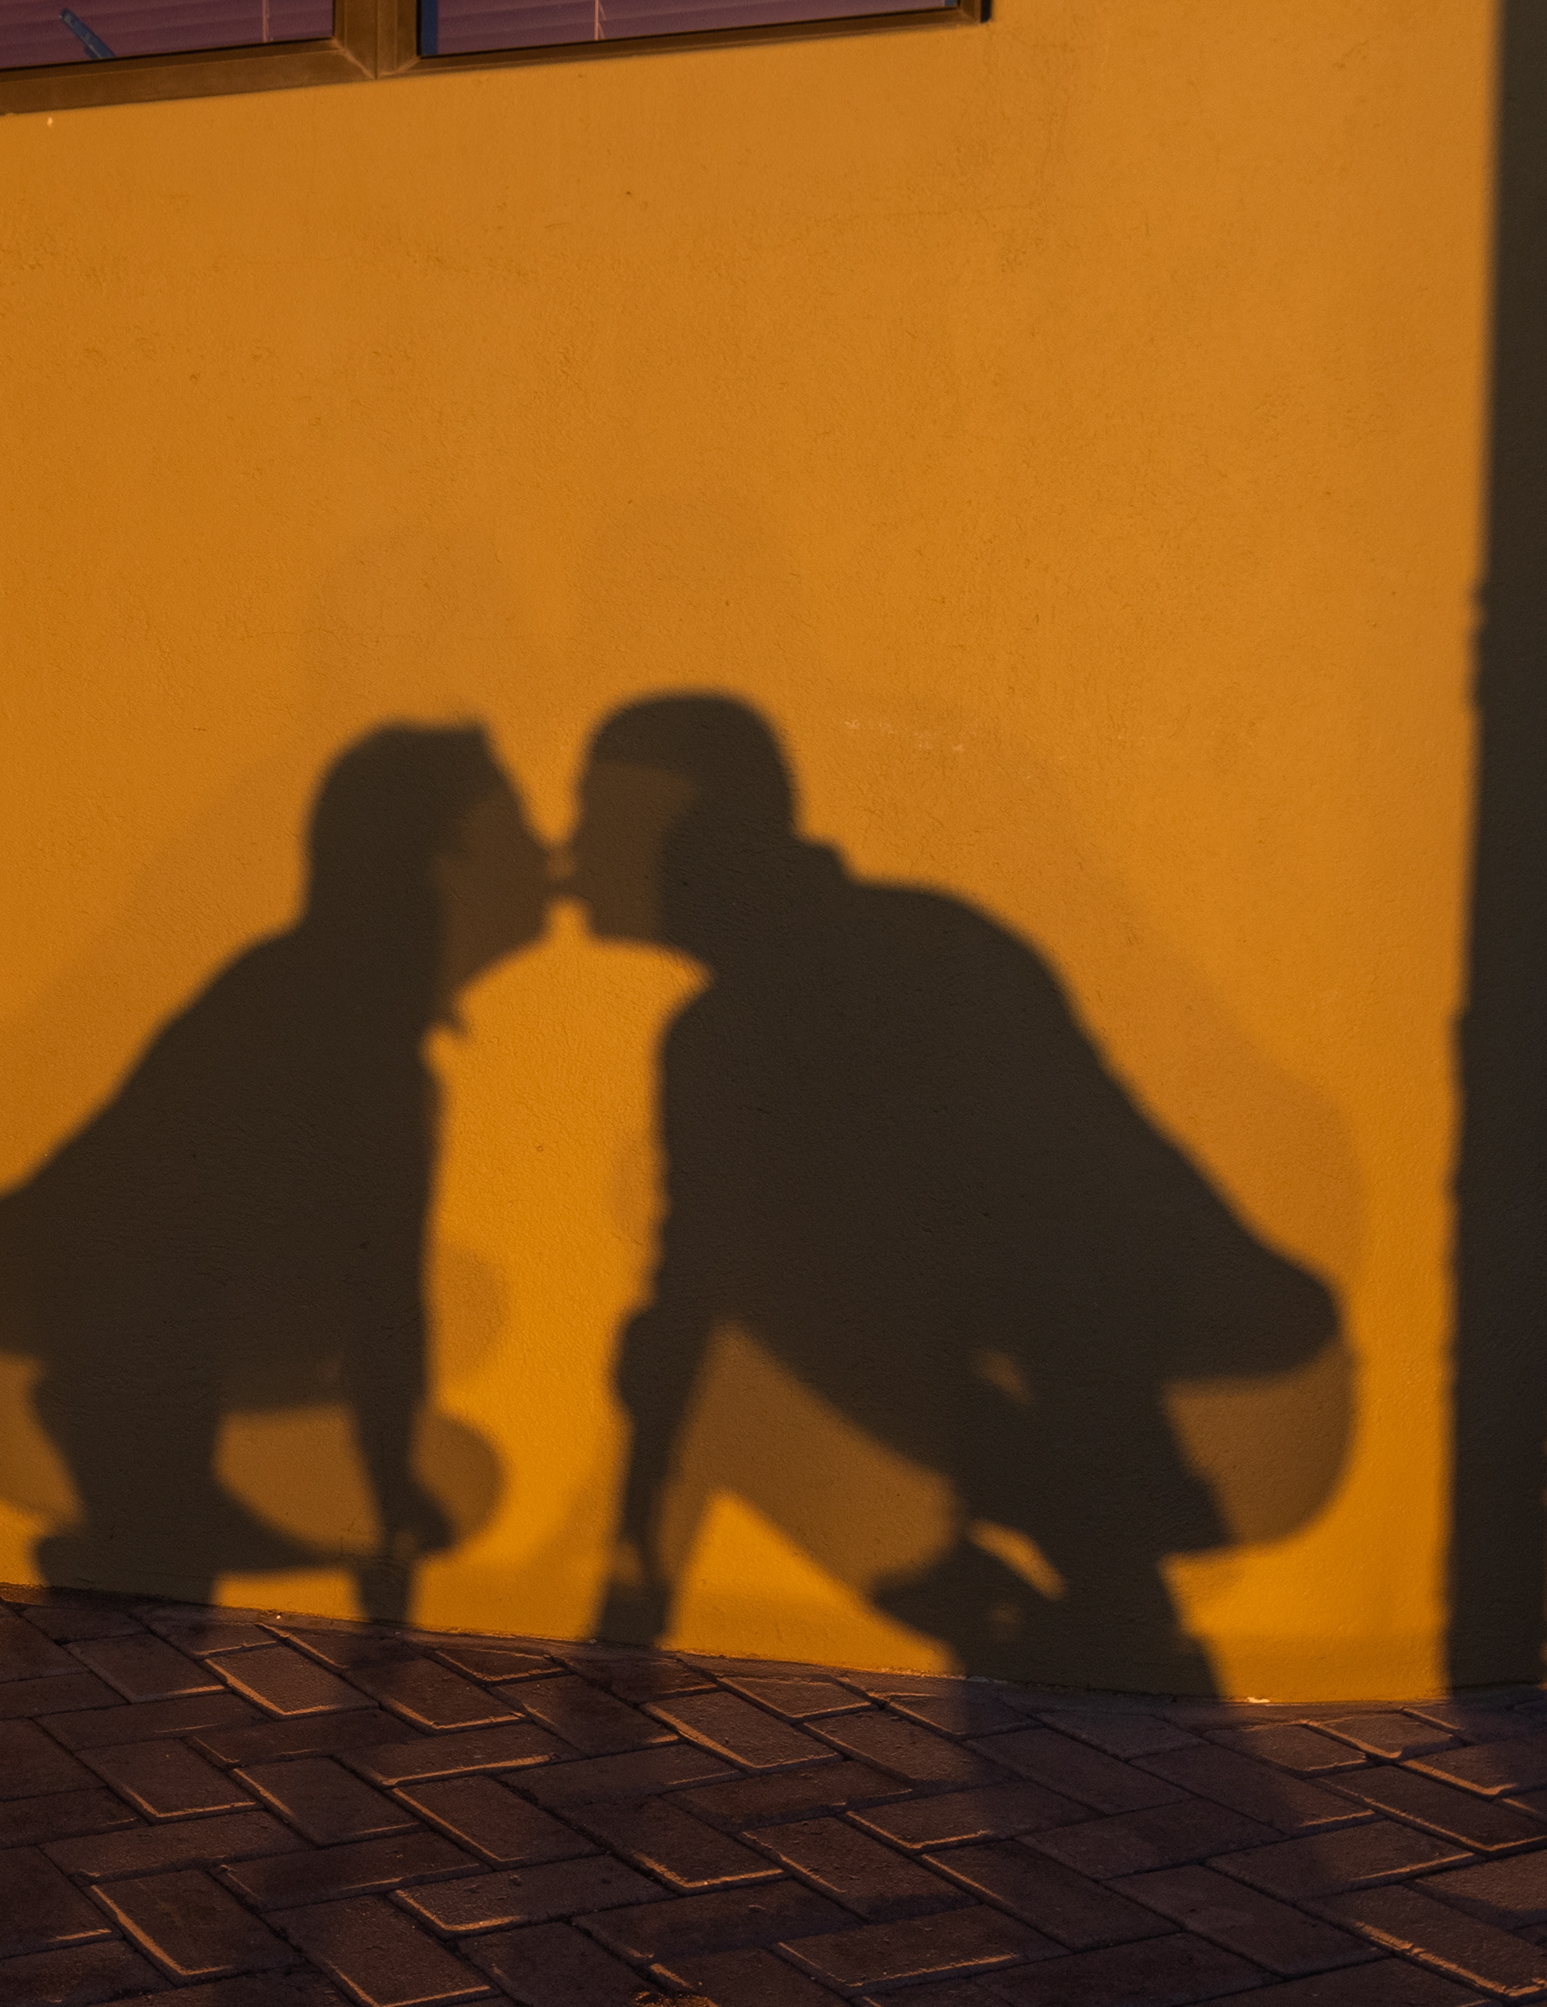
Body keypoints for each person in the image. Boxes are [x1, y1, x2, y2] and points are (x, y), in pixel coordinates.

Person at [569, 694, 1346, 1689]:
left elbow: (1066, 1246)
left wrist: (1113, 1572)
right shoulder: (772, 1014)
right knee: (722, 1349)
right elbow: (686, 1314)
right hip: (1180, 1402)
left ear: (692, 831)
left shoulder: (883, 983)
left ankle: (1101, 1629)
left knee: (735, 1363)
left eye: (596, 816)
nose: (569, 853)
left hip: (1234, 1406)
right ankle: (1058, 1627)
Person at [0, 724, 550, 1618]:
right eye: (518, 830)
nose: (548, 854)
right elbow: (359, 1298)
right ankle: (131, 1543)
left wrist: (387, 1500)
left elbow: (373, 1297)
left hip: (93, 1336)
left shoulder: (323, 1003)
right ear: (445, 865)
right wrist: (380, 1520)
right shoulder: (341, 1040)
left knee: (452, 1459)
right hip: (37, 1355)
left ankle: (135, 1538)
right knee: (163, 1610)